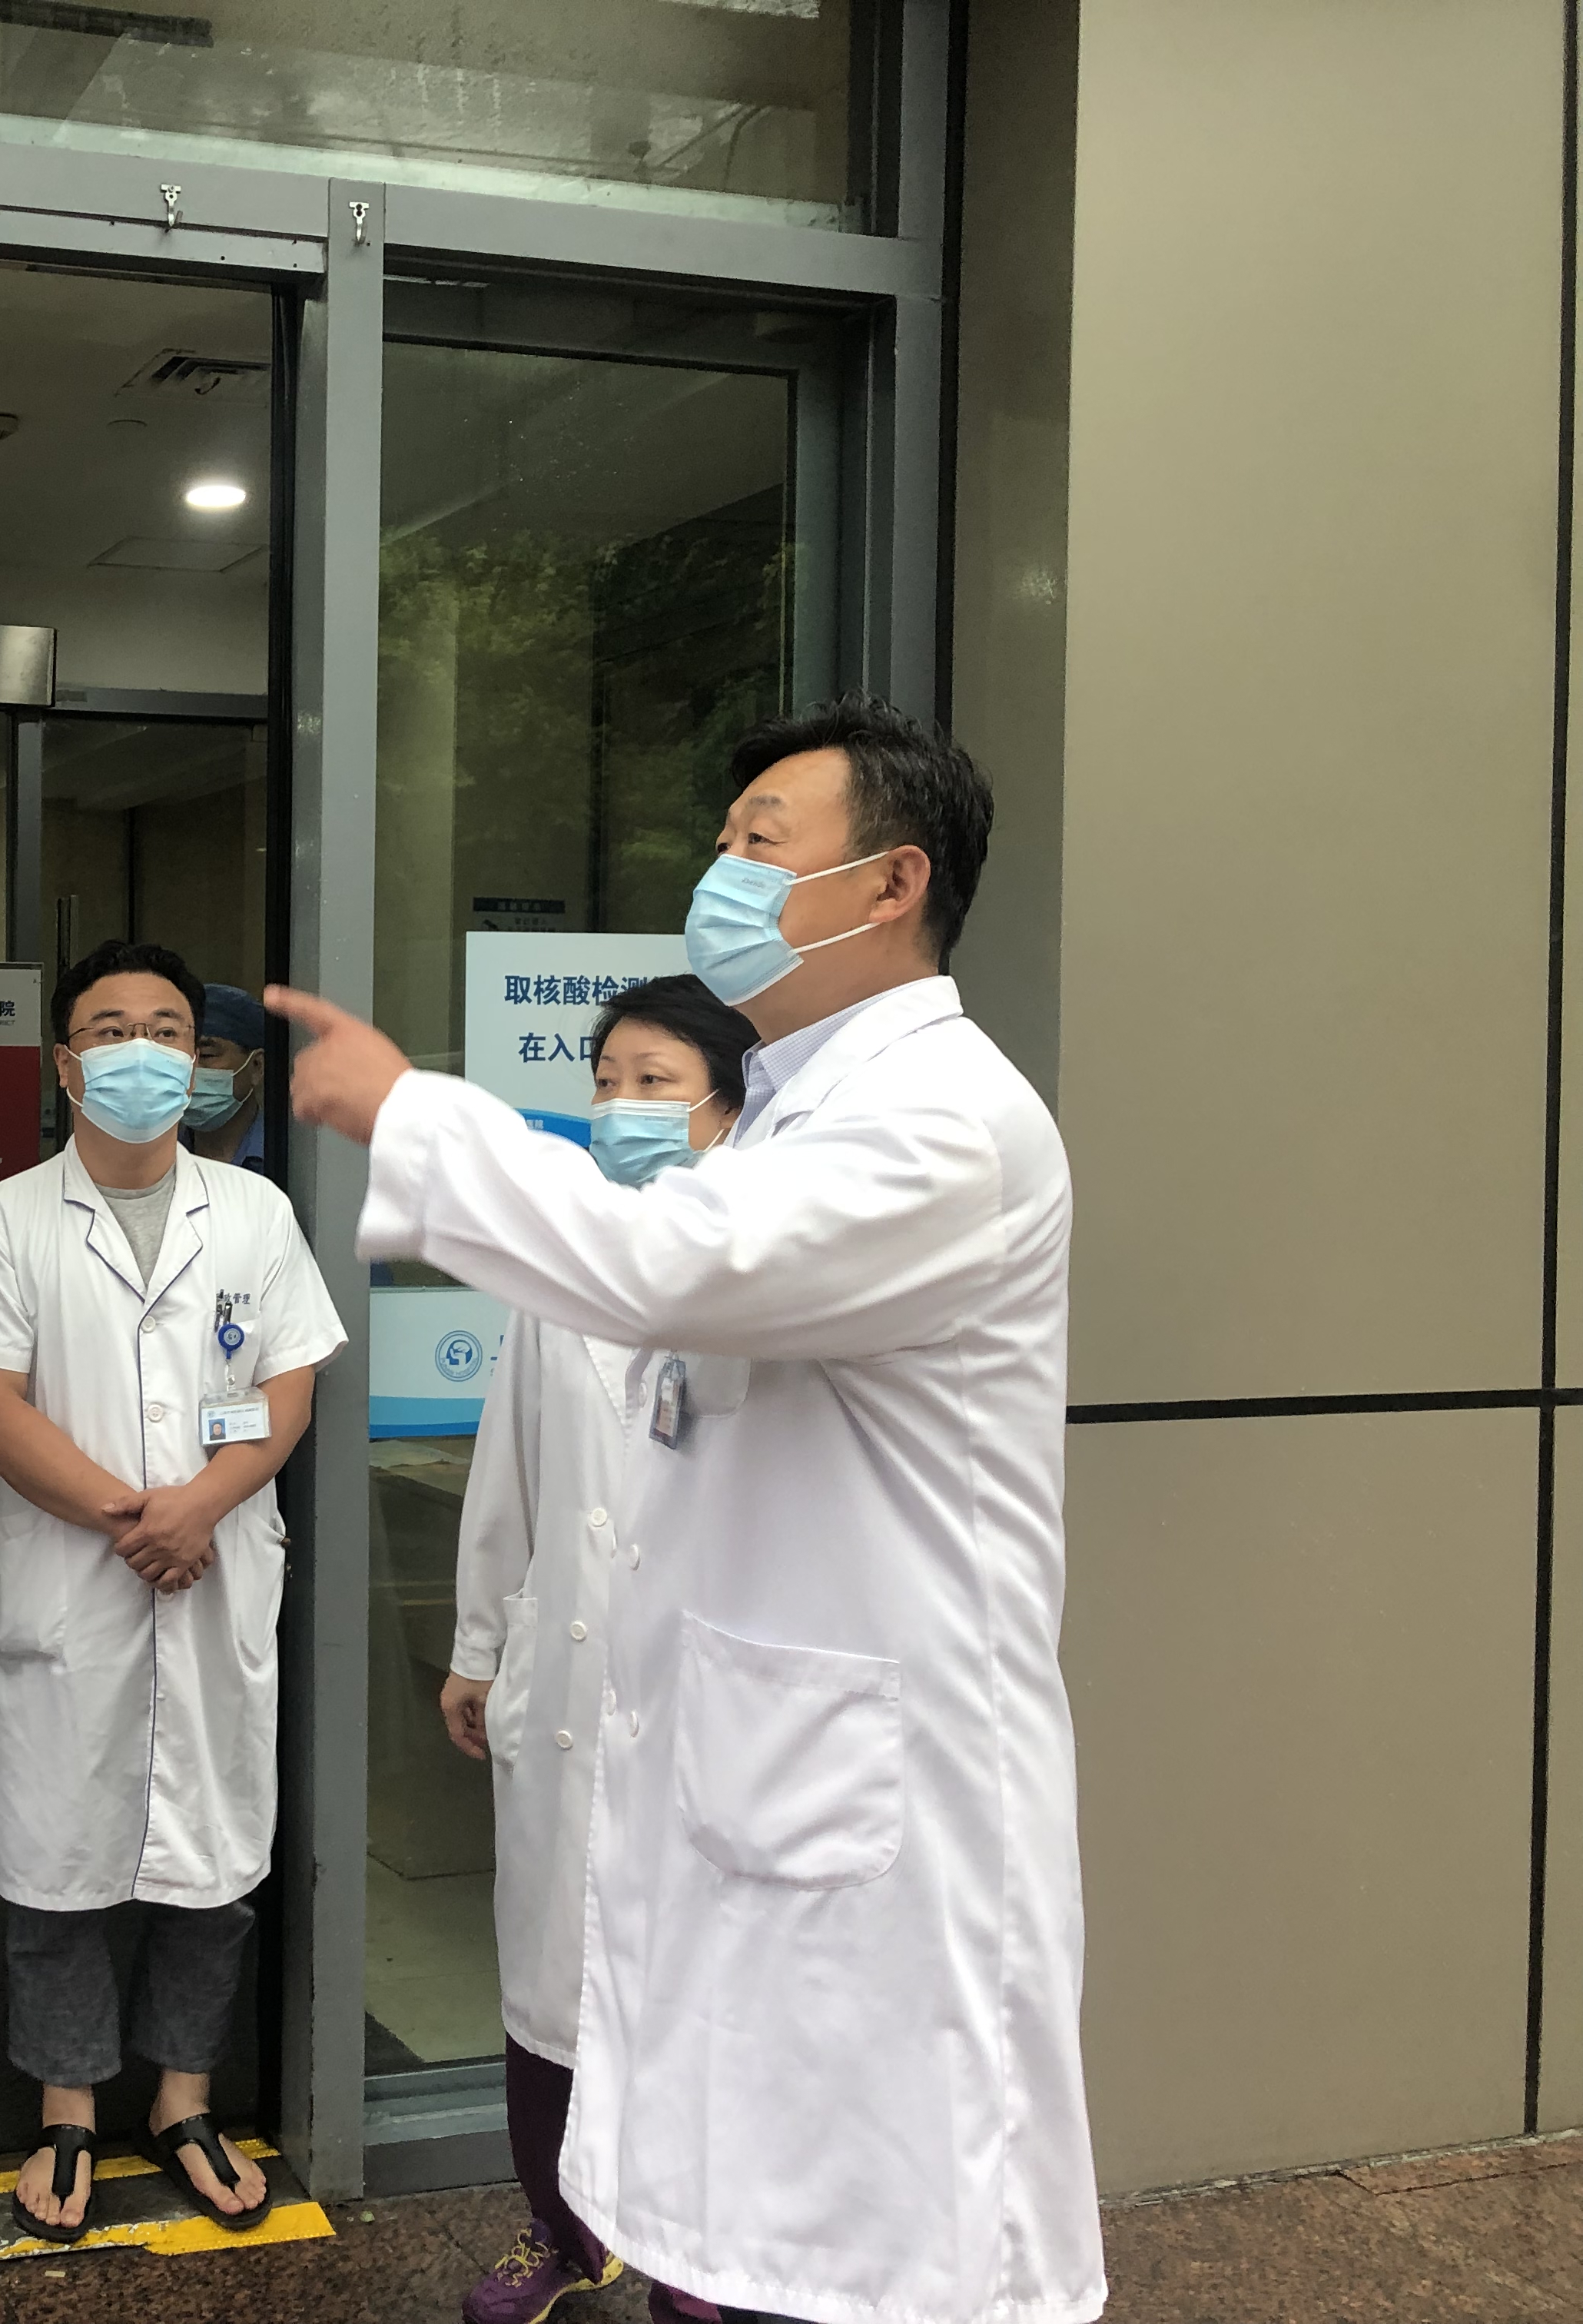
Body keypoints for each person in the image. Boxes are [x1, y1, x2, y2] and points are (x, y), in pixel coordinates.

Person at [271, 697, 1103, 2324]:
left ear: (891, 883)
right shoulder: (803, 1108)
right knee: (760, 2220)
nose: (718, 874)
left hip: (879, 1809)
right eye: (722, 840)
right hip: (775, 1773)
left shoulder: (943, 1117)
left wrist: (414, 1111)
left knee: (884, 2250)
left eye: (758, 842)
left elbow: (670, 1267)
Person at [0, 938, 344, 2246]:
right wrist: (138, 1517)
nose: (144, 1053)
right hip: (84, 1577)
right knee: (57, 1857)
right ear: (65, 1062)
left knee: (212, 1859)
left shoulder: (254, 1212)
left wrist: (202, 1506)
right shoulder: (5, 1219)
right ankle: (67, 2106)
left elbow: (288, 1385)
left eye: (168, 1029)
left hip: (215, 1569)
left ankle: (182, 2098)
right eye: (111, 1030)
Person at [439, 974, 752, 2324]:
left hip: (703, 1684)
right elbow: (507, 1468)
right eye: (606, 1078)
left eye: (654, 1080)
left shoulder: (769, 1270)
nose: (620, 1104)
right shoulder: (561, 1263)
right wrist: (477, 1644)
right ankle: (561, 2229)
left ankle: (699, 2256)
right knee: (552, 1978)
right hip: (567, 1677)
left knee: (694, 1989)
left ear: (728, 1103)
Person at [180, 982, 269, 1174]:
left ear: (257, 1066)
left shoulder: (288, 1159)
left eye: (206, 1055)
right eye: (180, 1056)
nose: (190, 1068)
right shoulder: (152, 1161)